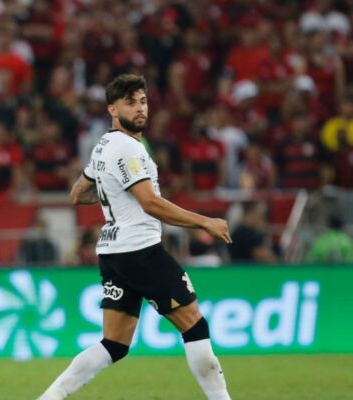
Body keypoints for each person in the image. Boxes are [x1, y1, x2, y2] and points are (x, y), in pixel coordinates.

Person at [38, 74, 232, 400]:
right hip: (141, 251)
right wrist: (204, 222)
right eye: (130, 102)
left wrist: (110, 196)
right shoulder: (128, 149)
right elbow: (150, 203)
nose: (140, 109)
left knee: (114, 344)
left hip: (113, 252)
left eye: (143, 101)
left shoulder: (103, 146)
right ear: (112, 109)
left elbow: (77, 193)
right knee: (194, 327)